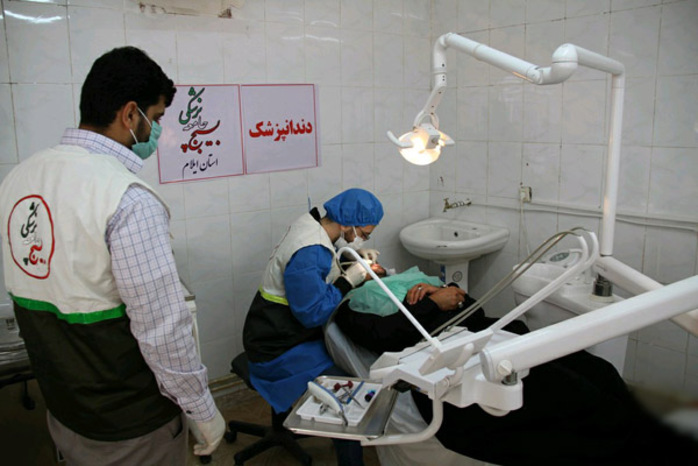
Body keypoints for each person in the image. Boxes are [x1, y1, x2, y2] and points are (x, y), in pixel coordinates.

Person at [0, 47, 224, 465]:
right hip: (131, 425)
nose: (157, 130)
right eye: (156, 118)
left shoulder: (19, 178)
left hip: (64, 411)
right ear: (130, 114)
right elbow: (162, 330)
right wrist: (202, 409)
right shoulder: (127, 199)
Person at [334, 267, 698, 466]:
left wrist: (443, 294)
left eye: (376, 265)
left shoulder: (417, 280)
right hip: (458, 363)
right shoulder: (355, 304)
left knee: (600, 372)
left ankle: (652, 433)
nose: (375, 266)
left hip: (500, 337)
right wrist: (431, 305)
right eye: (366, 267)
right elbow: (383, 338)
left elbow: (475, 309)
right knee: (580, 398)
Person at [242, 188, 385, 466]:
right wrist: (349, 280)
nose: (364, 239)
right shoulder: (310, 251)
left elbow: (322, 267)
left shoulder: (314, 223)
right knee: (347, 397)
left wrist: (351, 258)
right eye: (364, 234)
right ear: (348, 224)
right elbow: (312, 313)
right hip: (276, 347)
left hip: (277, 330)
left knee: (347, 366)